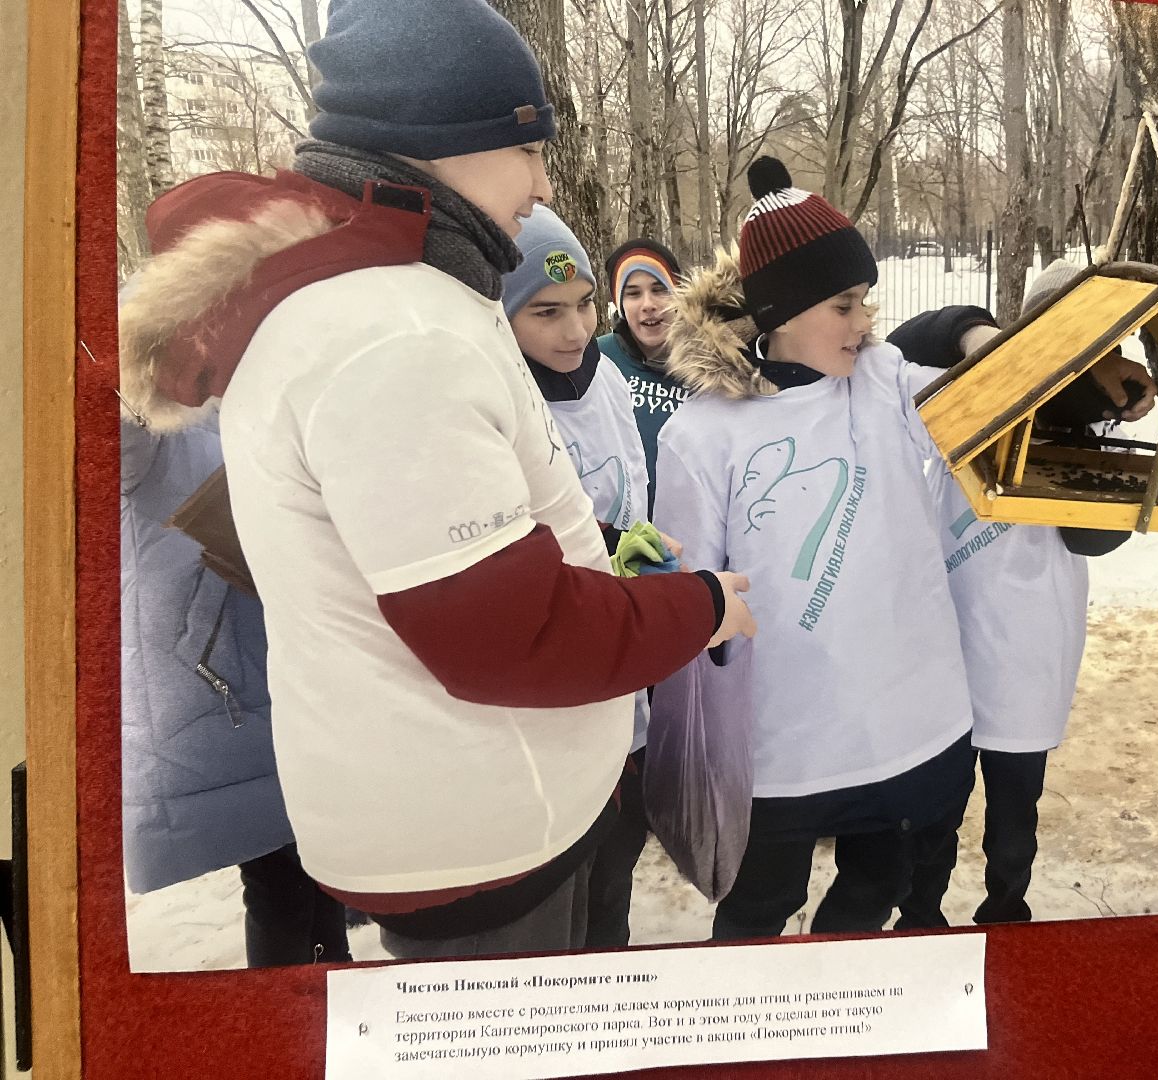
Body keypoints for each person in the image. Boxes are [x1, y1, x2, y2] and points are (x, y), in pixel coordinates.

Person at [119, 0, 754, 961]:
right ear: (441, 138)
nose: (542, 184)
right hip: (484, 832)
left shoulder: (369, 305)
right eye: (529, 145)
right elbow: (511, 639)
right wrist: (698, 608)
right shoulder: (394, 337)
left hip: (471, 804)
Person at [654, 156, 993, 940]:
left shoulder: (878, 381)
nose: (863, 321)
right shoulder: (701, 434)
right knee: (756, 918)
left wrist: (977, 332)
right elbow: (691, 599)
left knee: (881, 890)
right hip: (784, 744)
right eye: (843, 304)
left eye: (866, 302)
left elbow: (976, 390)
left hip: (911, 723)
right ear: (781, 310)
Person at [887, 259, 1158, 926]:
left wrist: (1093, 439)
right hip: (948, 636)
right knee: (934, 806)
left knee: (1015, 810)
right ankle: (921, 916)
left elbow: (1089, 540)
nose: (1097, 359)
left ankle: (1006, 912)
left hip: (1031, 643)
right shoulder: (971, 390)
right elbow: (911, 340)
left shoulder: (1090, 425)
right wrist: (982, 339)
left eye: (1108, 345)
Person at [119, 407, 350, 968]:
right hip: (227, 701)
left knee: (317, 877)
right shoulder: (156, 436)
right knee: (283, 884)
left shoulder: (269, 406)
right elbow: (107, 409)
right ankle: (289, 1030)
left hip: (300, 679)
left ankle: (322, 1009)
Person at [501, 205, 661, 948]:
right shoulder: (501, 398)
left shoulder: (602, 373)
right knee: (572, 851)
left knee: (620, 840)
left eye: (586, 304)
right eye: (546, 311)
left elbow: (628, 477)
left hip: (626, 637)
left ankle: (611, 959)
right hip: (557, 663)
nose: (574, 330)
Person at [597, 238, 690, 513]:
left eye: (659, 290)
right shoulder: (598, 358)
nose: (648, 304)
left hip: (690, 529)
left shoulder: (710, 364)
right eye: (634, 293)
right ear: (620, 304)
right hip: (619, 533)